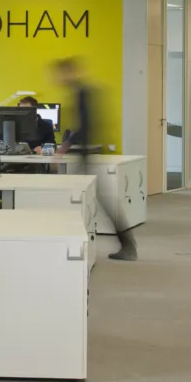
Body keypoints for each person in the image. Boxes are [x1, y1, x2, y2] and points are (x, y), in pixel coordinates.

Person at [56, 57, 138, 261]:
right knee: (91, 199)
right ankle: (126, 245)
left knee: (99, 200)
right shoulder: (81, 91)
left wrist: (64, 147)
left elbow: (84, 125)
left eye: (61, 73)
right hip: (84, 153)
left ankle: (128, 246)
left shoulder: (83, 92)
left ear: (70, 72)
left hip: (86, 154)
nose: (57, 78)